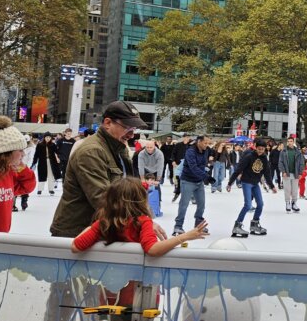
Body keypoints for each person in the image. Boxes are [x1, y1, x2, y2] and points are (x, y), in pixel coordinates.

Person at [51, 101, 165, 239]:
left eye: (134, 129)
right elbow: (103, 198)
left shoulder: (118, 149)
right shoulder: (91, 152)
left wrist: (145, 217)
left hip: (104, 231)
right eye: (127, 127)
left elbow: (128, 192)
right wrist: (140, 222)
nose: (131, 135)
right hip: (77, 233)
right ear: (107, 123)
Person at [71, 177, 206, 257]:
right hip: (137, 280)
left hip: (109, 281)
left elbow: (76, 246)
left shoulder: (104, 222)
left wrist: (91, 228)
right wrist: (184, 237)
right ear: (140, 199)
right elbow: (152, 249)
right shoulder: (143, 222)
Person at [227, 139, 276, 237]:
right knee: (248, 205)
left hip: (255, 184)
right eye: (259, 149)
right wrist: (230, 183)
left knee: (260, 204)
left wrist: (272, 186)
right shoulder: (249, 157)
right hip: (246, 182)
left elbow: (267, 174)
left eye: (262, 149)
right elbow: (238, 170)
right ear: (255, 147)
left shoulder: (264, 159)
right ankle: (237, 225)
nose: (260, 151)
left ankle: (254, 224)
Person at [173, 135, 211, 236]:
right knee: (184, 204)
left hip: (199, 182)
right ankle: (178, 226)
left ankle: (198, 224)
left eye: (208, 143)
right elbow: (193, 167)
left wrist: (205, 175)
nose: (207, 145)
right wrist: (205, 176)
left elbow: (202, 165)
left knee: (201, 204)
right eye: (205, 143)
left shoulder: (205, 151)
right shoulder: (190, 151)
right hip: (187, 181)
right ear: (199, 141)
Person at [279, 136, 305, 212]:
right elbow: (280, 162)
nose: (290, 142)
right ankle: (287, 203)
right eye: (288, 141)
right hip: (286, 173)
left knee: (295, 190)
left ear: (293, 142)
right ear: (287, 142)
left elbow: (301, 163)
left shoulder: (298, 152)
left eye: (291, 141)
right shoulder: (283, 151)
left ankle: (294, 203)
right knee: (287, 189)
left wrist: (300, 172)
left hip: (295, 173)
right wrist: (283, 171)